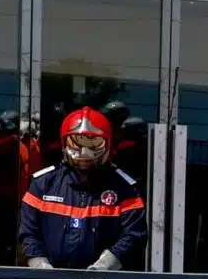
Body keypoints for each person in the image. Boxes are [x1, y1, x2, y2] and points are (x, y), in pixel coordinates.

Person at [18, 106, 145, 270]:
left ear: (108, 144)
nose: (84, 152)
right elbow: (28, 232)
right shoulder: (43, 184)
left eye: (94, 144)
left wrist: (106, 265)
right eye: (76, 143)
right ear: (64, 143)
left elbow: (135, 235)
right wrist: (40, 264)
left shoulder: (124, 189)